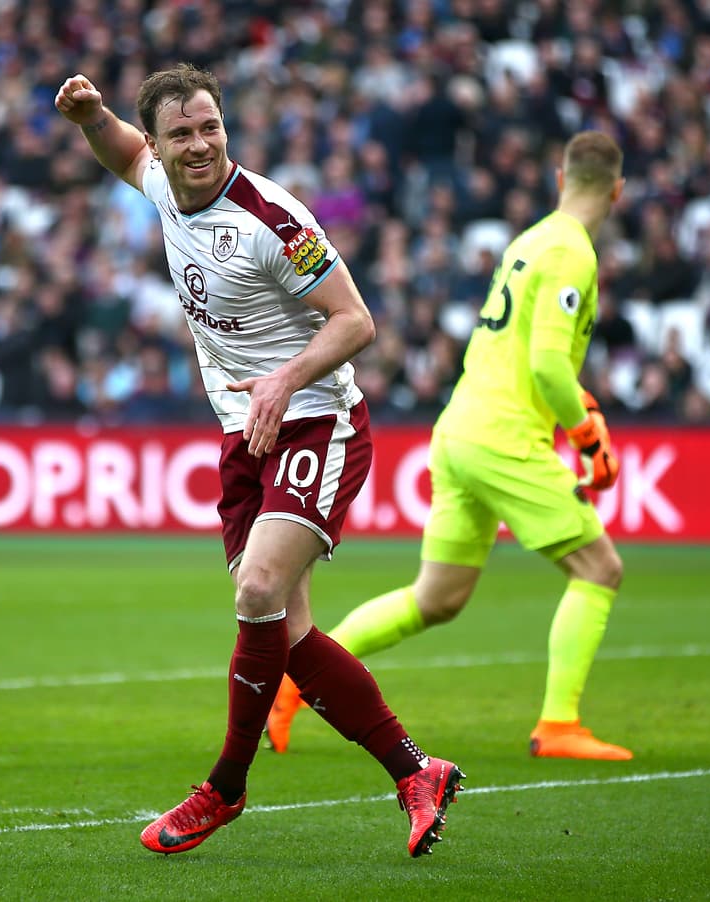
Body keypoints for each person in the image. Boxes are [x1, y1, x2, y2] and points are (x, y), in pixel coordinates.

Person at [56, 64, 463, 857]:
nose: (199, 144)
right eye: (181, 133)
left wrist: (285, 378)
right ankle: (418, 771)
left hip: (316, 421)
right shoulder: (161, 183)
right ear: (161, 146)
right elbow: (123, 152)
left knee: (258, 589)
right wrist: (91, 118)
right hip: (246, 432)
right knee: (288, 633)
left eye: (210, 126)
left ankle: (225, 787)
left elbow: (355, 320)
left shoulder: (272, 221)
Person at [267, 131, 634, 761]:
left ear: (559, 178)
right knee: (599, 570)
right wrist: (585, 433)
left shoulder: (530, 240)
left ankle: (294, 683)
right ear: (618, 191)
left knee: (436, 598)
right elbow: (548, 364)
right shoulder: (573, 251)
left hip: (460, 427)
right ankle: (559, 725)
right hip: (504, 437)